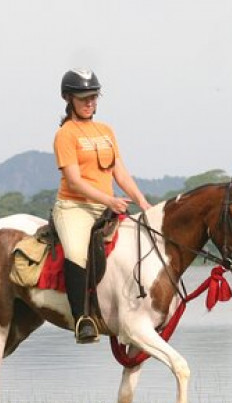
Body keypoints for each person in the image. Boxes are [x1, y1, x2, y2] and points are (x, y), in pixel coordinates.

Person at [53, 68, 153, 343]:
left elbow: (119, 172)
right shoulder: (66, 134)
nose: (90, 102)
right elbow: (73, 181)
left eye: (94, 96)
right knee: (75, 252)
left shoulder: (106, 131)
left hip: (107, 206)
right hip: (75, 207)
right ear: (68, 98)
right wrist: (109, 199)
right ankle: (81, 319)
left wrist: (143, 202)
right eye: (84, 97)